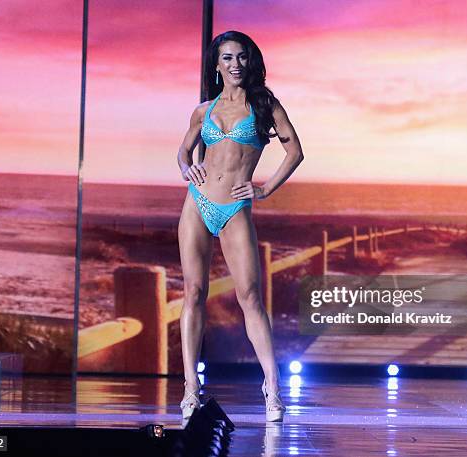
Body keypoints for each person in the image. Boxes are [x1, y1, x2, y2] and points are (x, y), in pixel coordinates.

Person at [176, 30, 304, 423]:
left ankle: (272, 388)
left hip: (234, 207)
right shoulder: (203, 110)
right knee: (194, 293)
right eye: (227, 58)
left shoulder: (265, 103)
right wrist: (187, 167)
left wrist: (265, 188)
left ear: (251, 61)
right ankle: (191, 389)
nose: (235, 65)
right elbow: (183, 152)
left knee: (249, 296)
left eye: (242, 57)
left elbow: (294, 151)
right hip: (197, 204)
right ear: (217, 65)